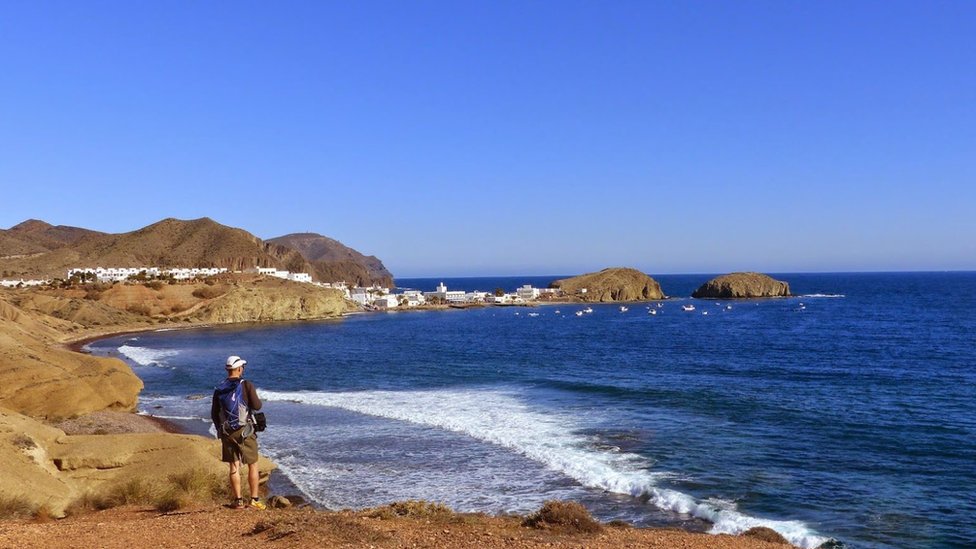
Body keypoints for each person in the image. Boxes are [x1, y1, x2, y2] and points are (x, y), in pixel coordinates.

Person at [211, 355, 266, 510]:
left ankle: (238, 501)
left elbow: (214, 413)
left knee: (233, 466)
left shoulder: (219, 388)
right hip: (245, 430)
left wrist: (220, 430)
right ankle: (254, 499)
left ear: (227, 370)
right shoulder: (246, 384)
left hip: (227, 432)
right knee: (253, 464)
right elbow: (257, 405)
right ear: (240, 369)